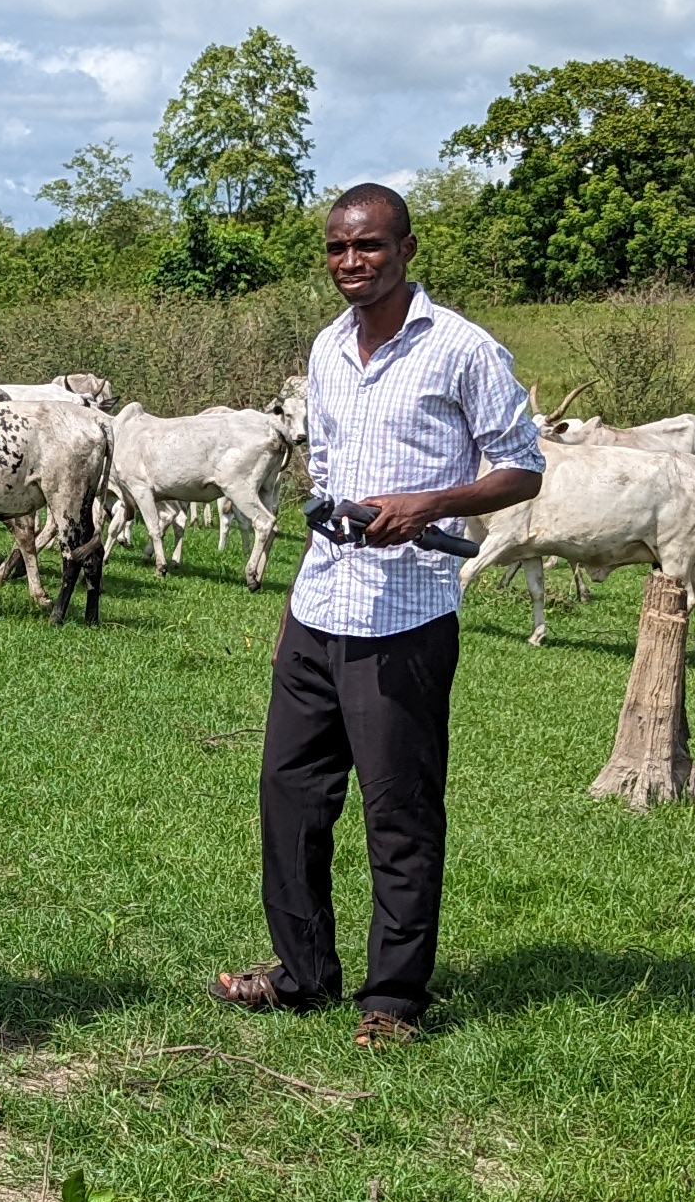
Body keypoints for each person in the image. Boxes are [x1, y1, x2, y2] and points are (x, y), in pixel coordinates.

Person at [216, 182, 545, 1046]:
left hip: (404, 616)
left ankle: (394, 999)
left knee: (397, 811)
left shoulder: (463, 350)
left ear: (405, 250)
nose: (350, 262)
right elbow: (325, 484)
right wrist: (295, 597)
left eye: (367, 246)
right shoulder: (326, 349)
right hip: (323, 604)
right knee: (291, 796)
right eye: (336, 248)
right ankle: (303, 972)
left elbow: (522, 468)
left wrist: (430, 504)